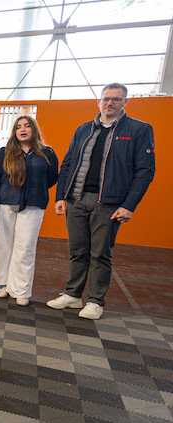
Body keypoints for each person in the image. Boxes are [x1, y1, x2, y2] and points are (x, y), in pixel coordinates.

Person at [47, 83, 156, 319]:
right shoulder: (83, 129)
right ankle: (73, 295)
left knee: (100, 253)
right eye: (106, 99)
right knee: (77, 250)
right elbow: (67, 165)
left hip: (108, 203)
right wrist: (61, 196)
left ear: (125, 102)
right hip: (76, 199)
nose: (110, 103)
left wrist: (128, 205)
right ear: (99, 101)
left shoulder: (138, 130)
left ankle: (95, 301)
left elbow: (145, 171)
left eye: (116, 99)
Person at [0, 116, 58, 306]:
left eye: (26, 126)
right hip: (5, 204)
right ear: (14, 131)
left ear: (34, 129)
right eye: (18, 127)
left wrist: (34, 189)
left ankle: (21, 290)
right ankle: (4, 285)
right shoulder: (4, 153)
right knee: (4, 246)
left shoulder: (47, 153)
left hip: (33, 205)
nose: (22, 129)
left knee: (25, 248)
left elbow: (51, 179)